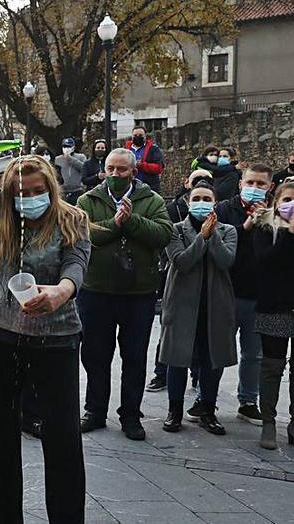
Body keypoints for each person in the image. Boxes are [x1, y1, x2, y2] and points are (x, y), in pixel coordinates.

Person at [0, 140, 90, 523]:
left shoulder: (72, 218)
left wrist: (62, 291)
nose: (30, 198)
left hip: (54, 340)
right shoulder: (0, 211)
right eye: (22, 193)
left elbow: (76, 263)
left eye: (39, 191)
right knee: (0, 437)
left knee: (62, 439)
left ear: (52, 189)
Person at [76, 148, 174, 441]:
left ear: (134, 172)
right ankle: (94, 410)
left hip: (138, 294)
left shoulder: (151, 200)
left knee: (134, 356)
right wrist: (115, 225)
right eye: (111, 169)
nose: (116, 175)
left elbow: (163, 234)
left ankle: (131, 414)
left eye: (122, 170)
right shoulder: (88, 200)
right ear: (103, 170)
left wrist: (132, 221)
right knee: (95, 355)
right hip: (96, 291)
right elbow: (83, 234)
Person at [158, 182, 238, 436]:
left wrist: (212, 234)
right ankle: (175, 410)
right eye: (197, 198)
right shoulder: (175, 230)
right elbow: (182, 262)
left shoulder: (228, 231)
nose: (201, 202)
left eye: (206, 198)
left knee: (211, 359)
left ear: (214, 203)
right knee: (177, 359)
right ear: (188, 201)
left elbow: (225, 260)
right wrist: (202, 237)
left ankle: (207, 409)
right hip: (182, 303)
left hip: (215, 303)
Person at [248, 181, 294, 452]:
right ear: (276, 202)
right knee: (272, 367)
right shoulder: (265, 226)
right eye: (287, 198)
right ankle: (268, 422)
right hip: (274, 306)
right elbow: (265, 262)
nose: (293, 203)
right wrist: (290, 233)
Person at [213, 164, 273, 425]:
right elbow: (216, 242)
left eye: (261, 184)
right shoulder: (225, 209)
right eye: (251, 183)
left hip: (260, 294)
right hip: (227, 290)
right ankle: (206, 398)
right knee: (217, 349)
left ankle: (248, 401)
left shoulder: (277, 213)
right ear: (241, 183)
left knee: (254, 353)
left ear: (270, 187)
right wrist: (246, 226)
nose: (255, 188)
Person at [124, 126, 165, 193]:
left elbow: (159, 168)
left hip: (149, 187)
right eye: (135, 135)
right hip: (129, 188)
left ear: (145, 136)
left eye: (140, 135)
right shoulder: (125, 150)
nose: (137, 137)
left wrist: (142, 165)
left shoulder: (153, 149)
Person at [55, 138, 88, 203]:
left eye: (68, 147)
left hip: (77, 190)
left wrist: (70, 158)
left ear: (73, 148)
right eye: (64, 146)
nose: (66, 148)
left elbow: (84, 168)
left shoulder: (81, 157)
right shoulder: (58, 159)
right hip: (63, 191)